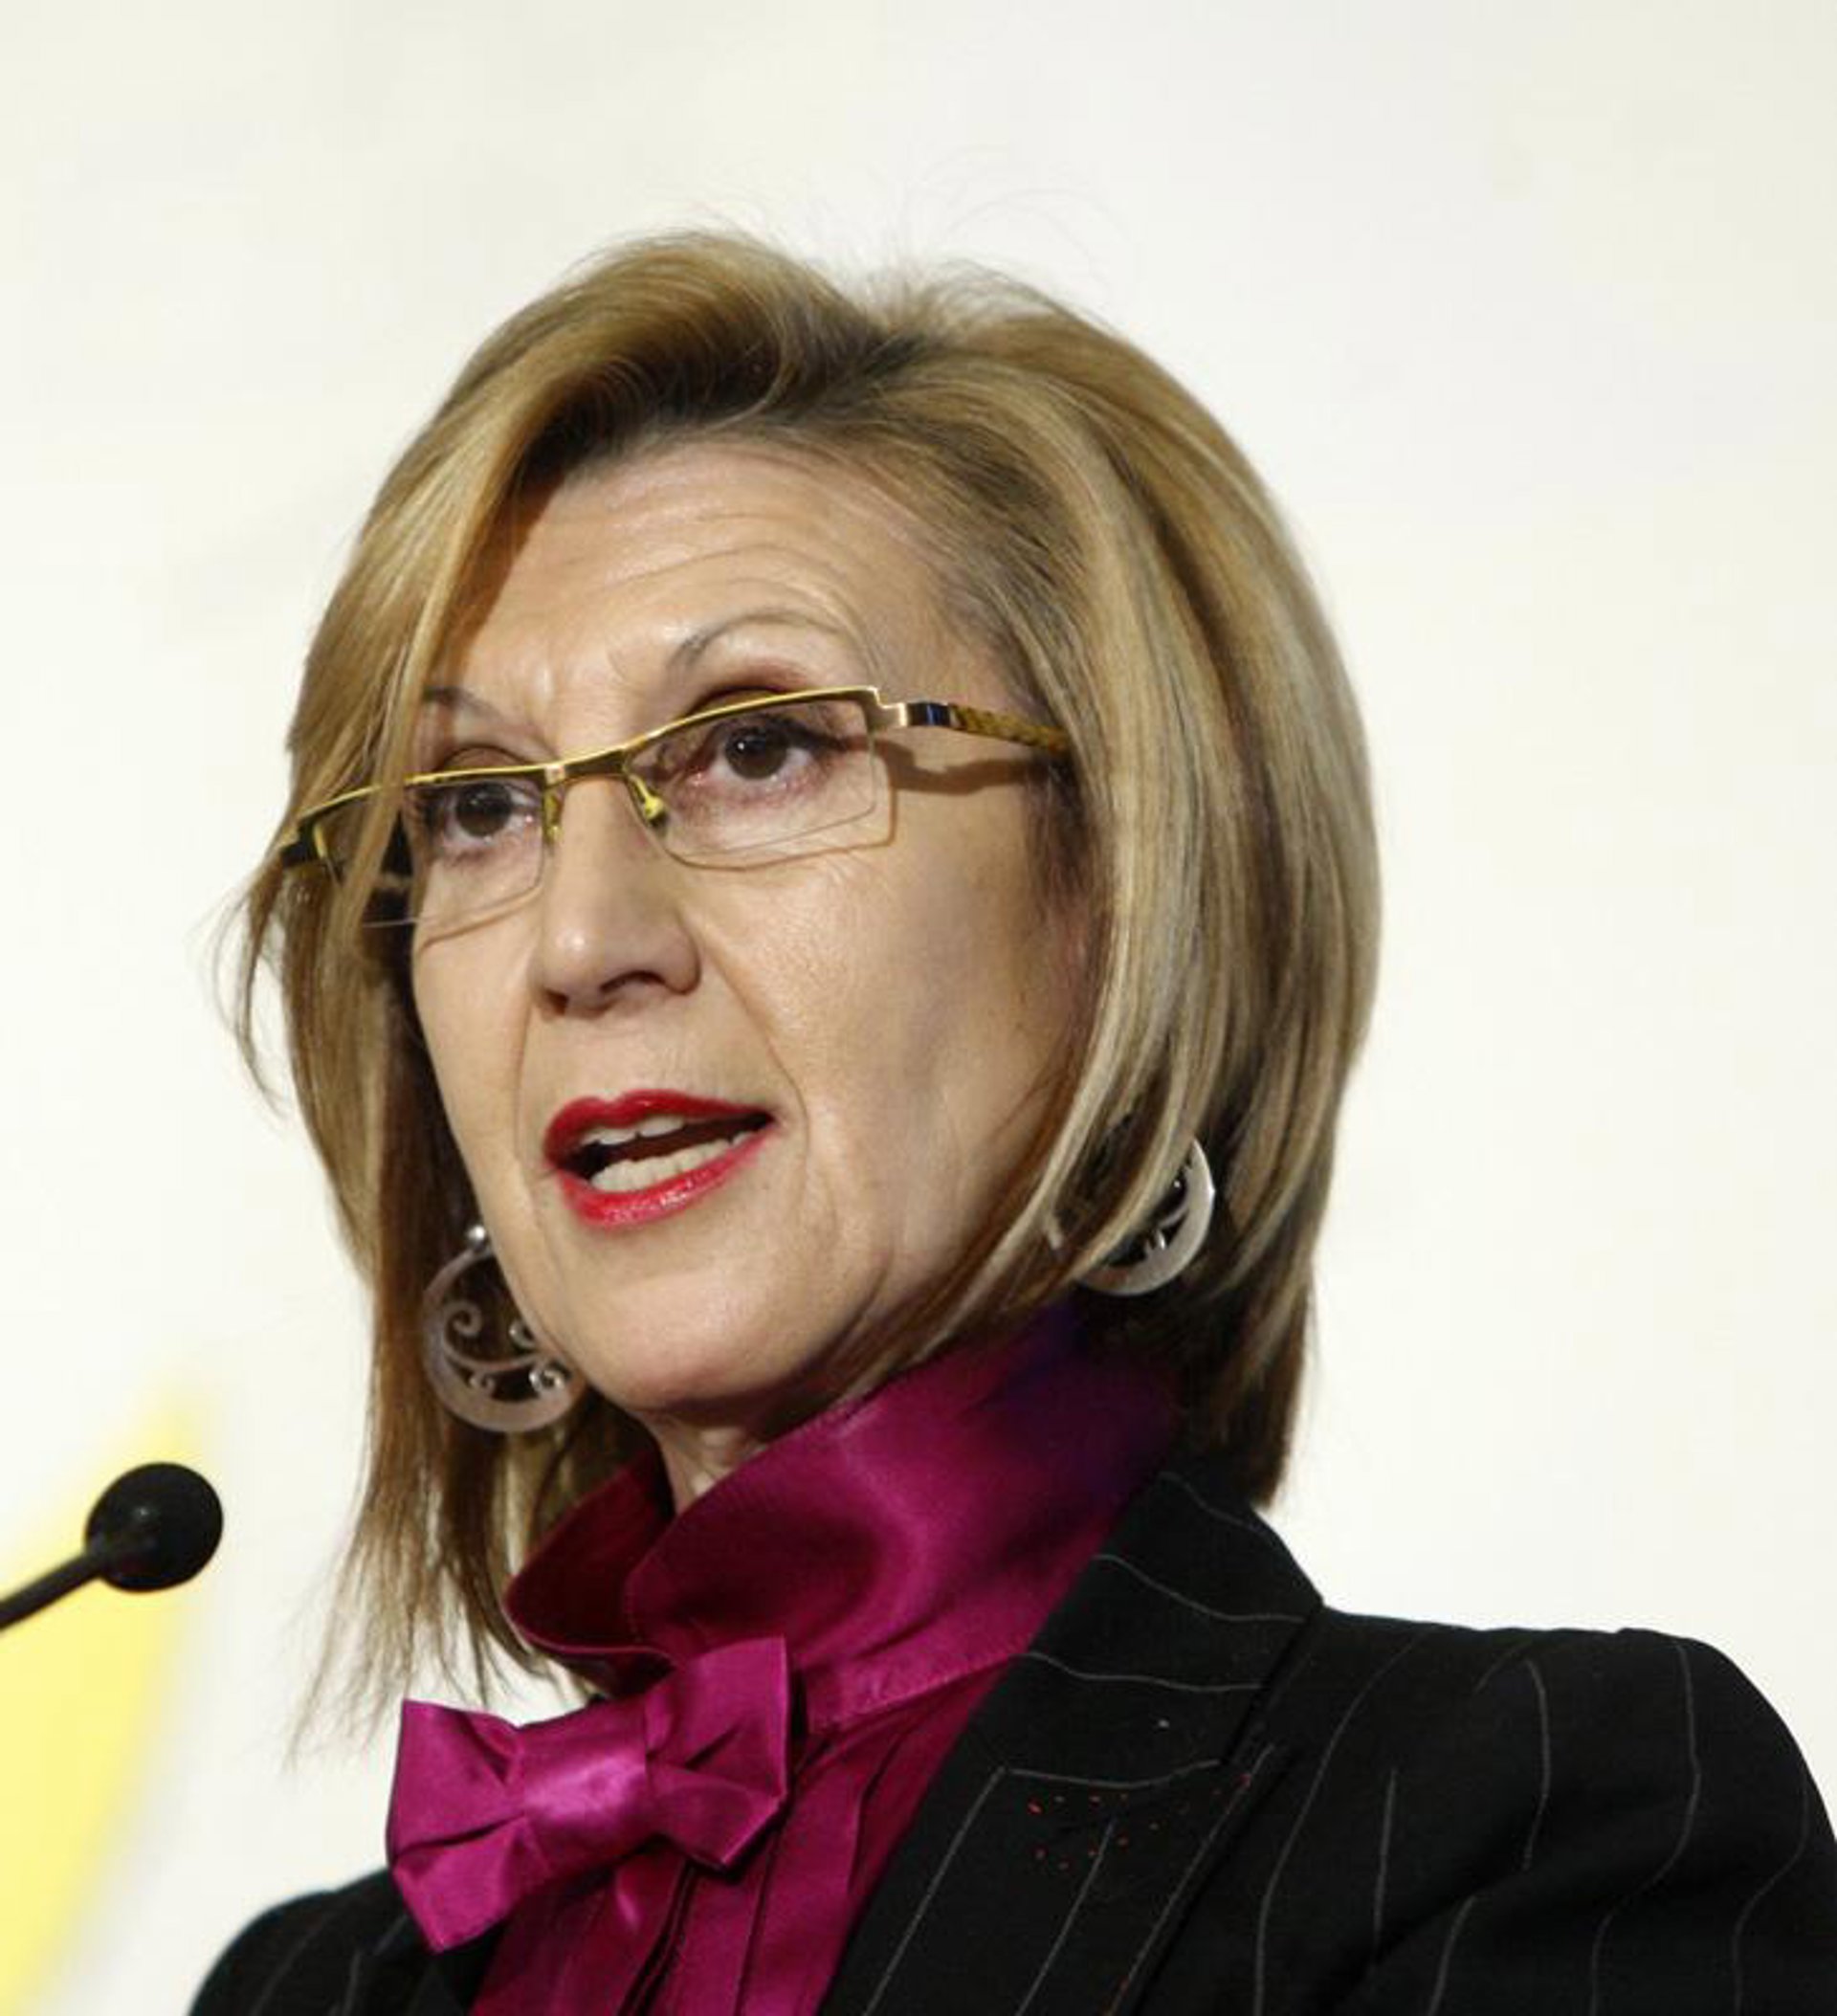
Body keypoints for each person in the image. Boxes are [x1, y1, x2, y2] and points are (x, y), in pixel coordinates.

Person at [192, 233, 1835, 2014]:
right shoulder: (303, 1993)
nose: (581, 943)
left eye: (760, 748)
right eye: (478, 806)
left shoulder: (1519, 1829)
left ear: (1122, 902)